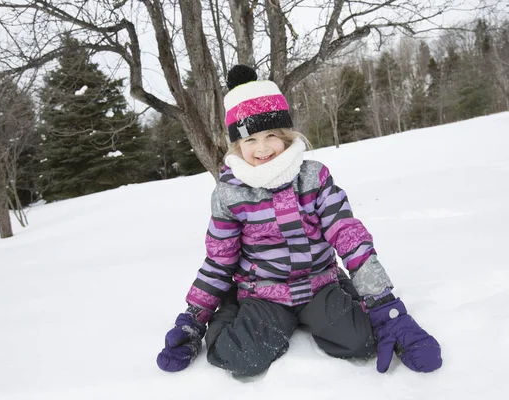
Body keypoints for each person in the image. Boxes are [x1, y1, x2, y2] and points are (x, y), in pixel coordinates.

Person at [156, 65, 442, 377]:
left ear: (286, 136)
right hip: (264, 292)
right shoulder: (229, 193)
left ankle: (348, 293)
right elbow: (219, 259)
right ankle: (230, 304)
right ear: (238, 144)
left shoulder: (312, 177)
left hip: (319, 285)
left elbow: (348, 236)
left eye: (271, 136)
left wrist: (385, 306)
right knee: (240, 358)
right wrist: (195, 316)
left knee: (363, 341)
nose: (262, 148)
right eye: (250, 140)